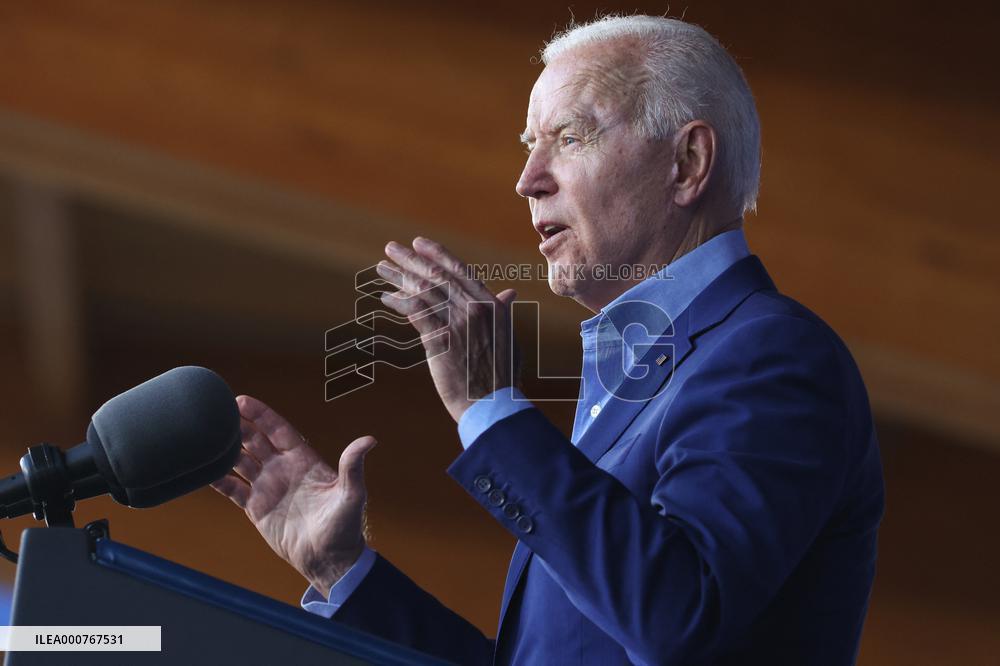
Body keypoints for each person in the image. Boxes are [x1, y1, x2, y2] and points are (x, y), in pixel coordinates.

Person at [212, 15, 885, 665]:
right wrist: (341, 568)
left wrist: (491, 410)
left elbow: (680, 618)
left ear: (687, 162)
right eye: (528, 144)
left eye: (569, 137)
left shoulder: (771, 355)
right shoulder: (634, 377)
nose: (527, 179)